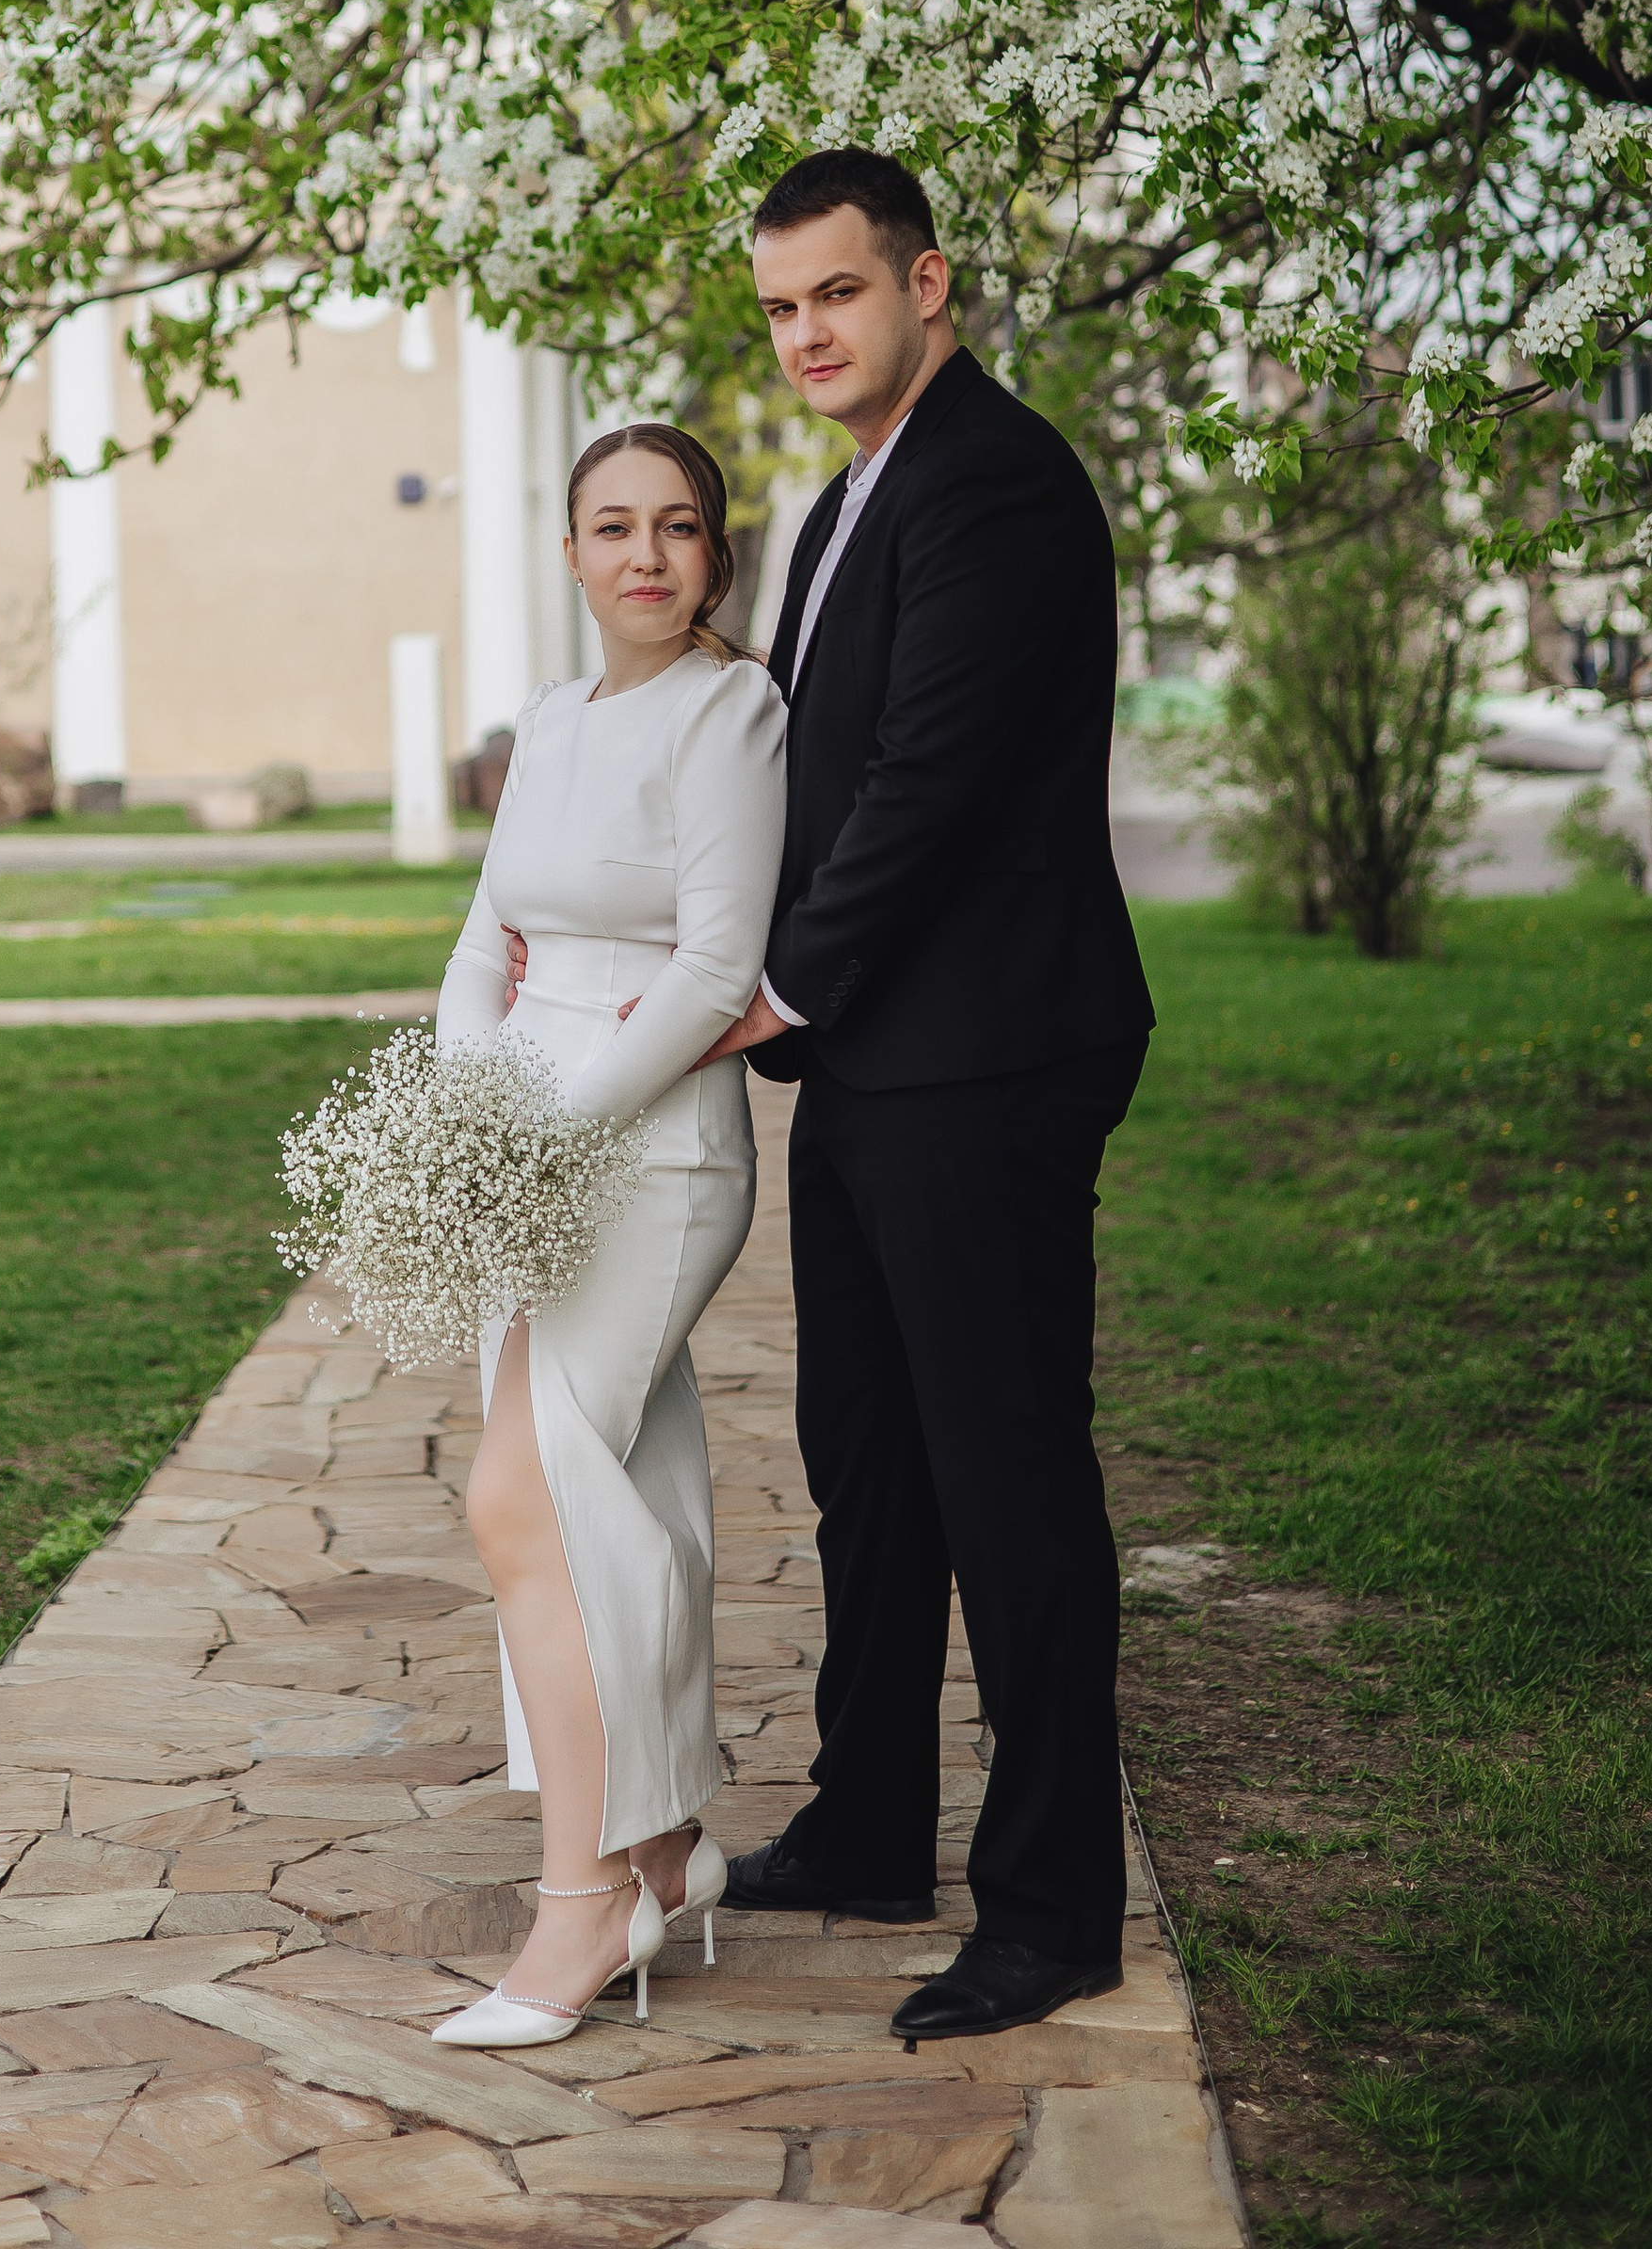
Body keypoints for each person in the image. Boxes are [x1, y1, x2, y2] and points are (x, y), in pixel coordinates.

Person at [699, 145, 1155, 2043]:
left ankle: (1049, 1905)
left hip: (983, 1050)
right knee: (867, 1468)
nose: (808, 332)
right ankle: (869, 1817)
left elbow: (928, 784)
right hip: (881, 1056)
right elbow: (814, 767)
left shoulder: (995, 484)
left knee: (1005, 1481)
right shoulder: (843, 501)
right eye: (781, 305)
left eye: (838, 294)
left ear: (926, 284)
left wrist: (779, 981)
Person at [426, 425, 787, 2051]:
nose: (646, 555)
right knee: (601, 1496)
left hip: (652, 1160)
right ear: (568, 549)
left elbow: (718, 972)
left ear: (715, 555)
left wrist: (552, 1132)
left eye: (679, 528)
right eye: (612, 527)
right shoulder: (550, 721)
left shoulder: (735, 714)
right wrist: (463, 1120)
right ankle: (660, 1852)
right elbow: (481, 946)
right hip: (525, 1142)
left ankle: (585, 1906)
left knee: (526, 1492)